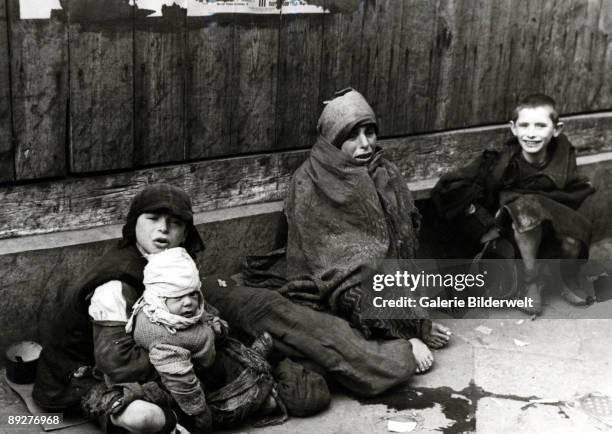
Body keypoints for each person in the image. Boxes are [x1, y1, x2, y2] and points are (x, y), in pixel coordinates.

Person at [32, 184, 292, 434]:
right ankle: (175, 420)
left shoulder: (172, 264)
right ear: (135, 224)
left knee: (257, 393)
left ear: (187, 232)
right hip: (85, 373)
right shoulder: (115, 286)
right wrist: (183, 355)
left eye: (175, 223)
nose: (163, 229)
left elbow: (195, 314)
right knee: (145, 417)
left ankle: (195, 405)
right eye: (153, 218)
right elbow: (118, 364)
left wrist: (205, 335)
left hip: (161, 352)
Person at [242, 88, 451, 374]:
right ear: (333, 141)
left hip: (381, 267)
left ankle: (411, 323)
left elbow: (400, 241)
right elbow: (323, 253)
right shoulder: (309, 180)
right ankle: (407, 337)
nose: (365, 144)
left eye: (370, 132)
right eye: (352, 136)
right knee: (359, 299)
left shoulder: (384, 172)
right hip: (334, 275)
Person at [432, 94, 596, 315]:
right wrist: (485, 224)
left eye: (540, 126)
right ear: (514, 128)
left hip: (549, 236)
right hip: (513, 236)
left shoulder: (564, 164)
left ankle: (562, 278)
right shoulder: (500, 163)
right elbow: (450, 187)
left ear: (557, 129)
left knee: (573, 238)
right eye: (524, 125)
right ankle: (530, 283)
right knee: (524, 207)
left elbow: (572, 206)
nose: (531, 133)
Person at [125, 247, 226, 432]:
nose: (188, 302)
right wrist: (199, 412)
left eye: (192, 294)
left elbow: (206, 314)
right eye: (178, 297)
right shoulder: (159, 333)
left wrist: (216, 327)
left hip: (201, 357)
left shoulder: (179, 310)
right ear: (160, 299)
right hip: (174, 383)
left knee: (233, 355)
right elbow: (181, 380)